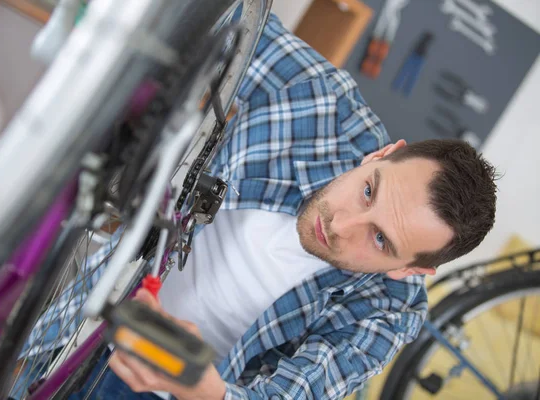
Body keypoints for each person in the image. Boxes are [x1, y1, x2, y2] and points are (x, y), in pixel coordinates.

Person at [34, 13, 497, 400]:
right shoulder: (320, 101)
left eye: (379, 239)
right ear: (380, 155)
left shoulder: (389, 313)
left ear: (409, 271)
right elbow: (216, 14)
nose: (340, 223)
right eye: (368, 191)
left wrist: (205, 388)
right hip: (82, 308)